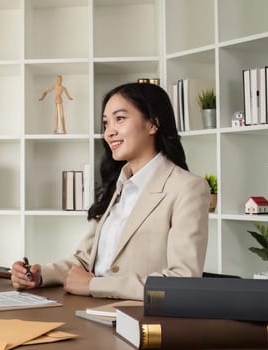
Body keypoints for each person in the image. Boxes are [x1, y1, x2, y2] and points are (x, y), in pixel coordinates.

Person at [13, 82, 209, 300]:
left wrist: (96, 285)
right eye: (106, 123)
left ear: (153, 124)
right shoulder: (118, 186)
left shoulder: (188, 188)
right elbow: (87, 260)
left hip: (141, 319)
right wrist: (39, 275)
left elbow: (183, 280)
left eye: (120, 119)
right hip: (93, 310)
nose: (109, 132)